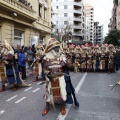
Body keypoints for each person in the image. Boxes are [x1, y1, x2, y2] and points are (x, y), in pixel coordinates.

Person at [42, 38, 79, 116]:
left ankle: (62, 107)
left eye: (57, 47)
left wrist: (73, 65)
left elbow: (67, 65)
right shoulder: (46, 57)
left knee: (62, 92)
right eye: (55, 48)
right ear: (51, 48)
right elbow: (44, 69)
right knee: (49, 92)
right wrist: (48, 74)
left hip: (61, 77)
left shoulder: (62, 56)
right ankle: (47, 107)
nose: (57, 49)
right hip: (51, 77)